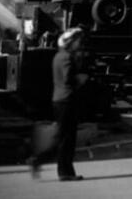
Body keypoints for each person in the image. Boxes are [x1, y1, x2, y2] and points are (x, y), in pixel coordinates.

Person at [30, 27, 87, 181]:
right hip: (67, 100)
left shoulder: (58, 56)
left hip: (59, 99)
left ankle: (40, 161)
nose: (80, 44)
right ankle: (64, 172)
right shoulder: (67, 57)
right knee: (67, 139)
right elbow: (69, 79)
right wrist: (80, 79)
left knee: (62, 137)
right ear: (70, 42)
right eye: (77, 41)